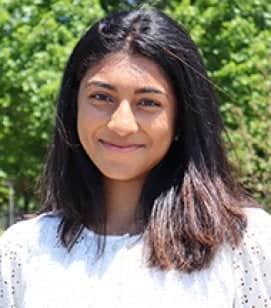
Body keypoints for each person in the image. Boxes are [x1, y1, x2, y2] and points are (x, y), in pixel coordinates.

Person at [0, 8, 270, 308]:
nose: (121, 124)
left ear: (181, 119)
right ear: (73, 105)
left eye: (148, 102)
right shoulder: (23, 251)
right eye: (101, 97)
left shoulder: (244, 243)